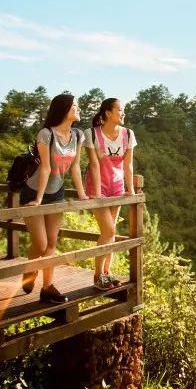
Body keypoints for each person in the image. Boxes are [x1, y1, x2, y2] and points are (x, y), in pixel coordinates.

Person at [20, 93, 89, 303]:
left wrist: (83, 194)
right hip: (34, 192)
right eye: (74, 106)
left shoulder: (78, 135)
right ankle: (29, 274)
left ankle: (47, 288)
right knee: (40, 245)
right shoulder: (46, 134)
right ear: (64, 109)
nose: (78, 108)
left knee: (51, 243)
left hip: (57, 192)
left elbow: (75, 166)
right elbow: (45, 168)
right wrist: (39, 199)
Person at [84, 98, 137, 291]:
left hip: (117, 186)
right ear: (108, 113)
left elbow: (127, 164)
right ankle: (98, 276)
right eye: (120, 110)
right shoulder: (91, 134)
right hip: (98, 186)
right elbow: (94, 164)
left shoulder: (128, 134)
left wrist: (130, 189)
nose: (123, 113)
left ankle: (107, 272)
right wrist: (97, 193)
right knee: (109, 231)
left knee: (111, 232)